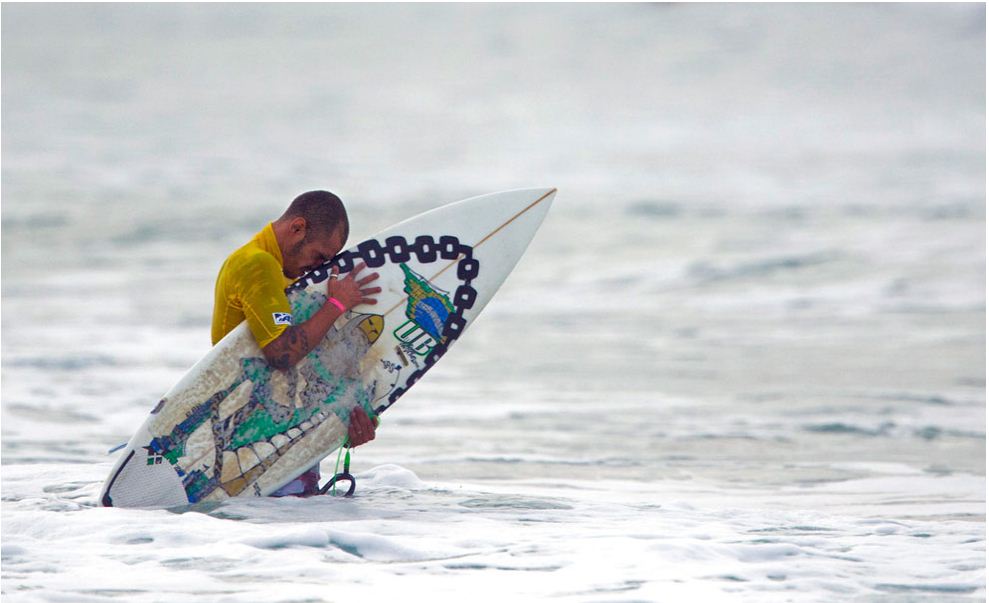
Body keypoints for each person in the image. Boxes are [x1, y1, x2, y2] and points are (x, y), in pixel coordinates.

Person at [211, 190, 381, 496]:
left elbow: (314, 366)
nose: (318, 269)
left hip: (281, 443)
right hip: (247, 444)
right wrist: (337, 305)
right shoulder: (256, 264)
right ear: (297, 228)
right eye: (319, 256)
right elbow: (282, 353)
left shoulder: (288, 276)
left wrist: (352, 417)